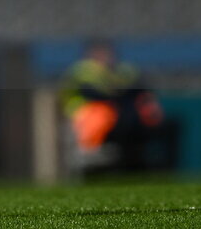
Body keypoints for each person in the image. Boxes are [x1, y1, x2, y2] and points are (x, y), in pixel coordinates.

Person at [60, 38, 179, 174]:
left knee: (157, 122)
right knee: (105, 117)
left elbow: (139, 88)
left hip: (119, 115)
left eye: (106, 52)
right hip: (90, 118)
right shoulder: (83, 71)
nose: (104, 57)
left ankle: (152, 165)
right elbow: (94, 94)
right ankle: (93, 156)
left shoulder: (123, 70)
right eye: (98, 53)